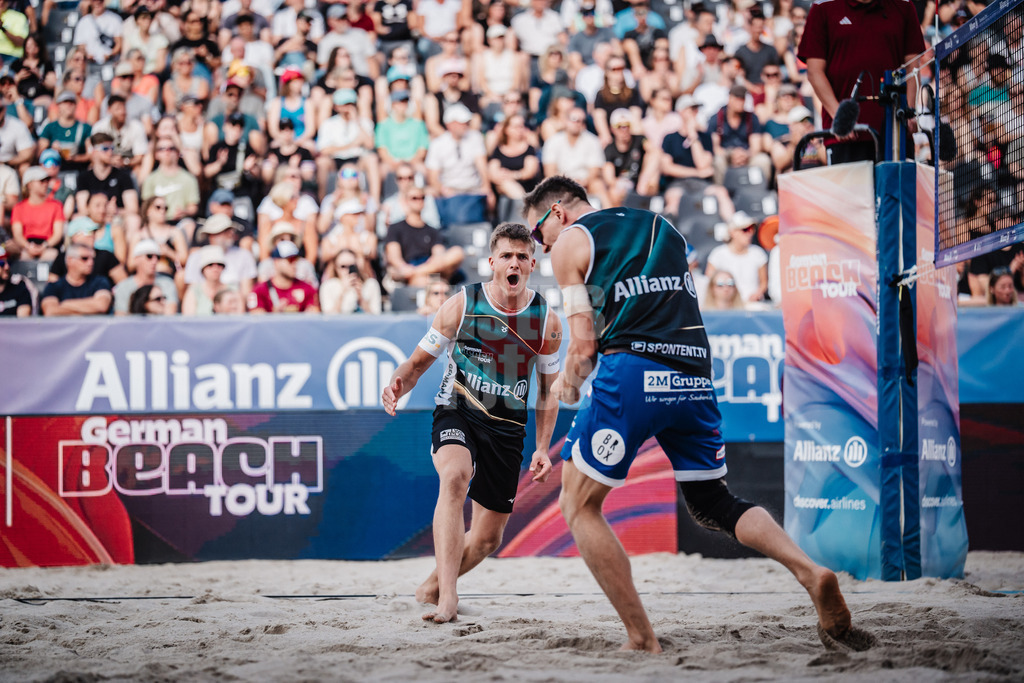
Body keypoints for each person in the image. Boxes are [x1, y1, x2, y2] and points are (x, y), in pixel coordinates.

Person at [523, 175, 865, 652]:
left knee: (578, 505)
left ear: (557, 212)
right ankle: (811, 573)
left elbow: (583, 347)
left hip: (634, 371)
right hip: (694, 371)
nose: (541, 249)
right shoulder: (664, 226)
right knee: (711, 501)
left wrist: (568, 384)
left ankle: (641, 638)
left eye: (538, 235)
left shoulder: (571, 244)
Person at [381, 221, 562, 624]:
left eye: (521, 256)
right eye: (506, 256)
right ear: (492, 262)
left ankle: (430, 587)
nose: (514, 263)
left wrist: (542, 448)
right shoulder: (462, 305)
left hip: (507, 426)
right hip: (456, 410)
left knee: (486, 539)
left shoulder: (546, 321)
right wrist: (398, 384)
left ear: (532, 264)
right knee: (454, 478)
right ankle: (448, 598)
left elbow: (549, 392)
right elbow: (416, 365)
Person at [799, 0, 925, 165]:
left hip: (896, 137)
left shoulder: (904, 5)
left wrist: (909, 113)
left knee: (896, 191)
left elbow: (912, 69)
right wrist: (841, 118)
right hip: (845, 138)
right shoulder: (823, 6)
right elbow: (814, 72)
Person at [384, 188, 464, 287]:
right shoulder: (395, 228)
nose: (419, 201)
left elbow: (438, 255)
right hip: (412, 267)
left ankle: (418, 274)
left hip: (426, 269)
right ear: (405, 202)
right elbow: (394, 257)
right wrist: (404, 268)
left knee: (457, 252)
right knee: (423, 281)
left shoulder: (432, 230)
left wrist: (417, 270)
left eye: (422, 198)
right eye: (414, 198)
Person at [706, 211, 768, 304]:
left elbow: (764, 282)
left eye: (752, 228)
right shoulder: (717, 254)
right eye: (745, 229)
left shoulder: (758, 254)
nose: (750, 233)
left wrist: (757, 294)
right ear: (732, 232)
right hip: (727, 305)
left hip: (753, 305)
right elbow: (710, 281)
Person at [247, 240, 320, 313]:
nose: (294, 264)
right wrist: (274, 314)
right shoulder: (260, 291)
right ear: (276, 262)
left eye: (296, 259)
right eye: (290, 259)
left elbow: (313, 319)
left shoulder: (308, 289)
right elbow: (256, 320)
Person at [40, 242, 112, 316]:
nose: (91, 262)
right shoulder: (54, 286)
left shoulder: (100, 282)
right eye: (84, 258)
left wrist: (65, 304)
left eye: (93, 259)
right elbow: (50, 311)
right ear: (70, 260)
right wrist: (89, 308)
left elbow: (102, 306)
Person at [11, 165, 64, 262]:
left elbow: (57, 234)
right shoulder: (18, 208)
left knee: (51, 255)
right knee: (23, 256)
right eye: (41, 181)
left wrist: (44, 246)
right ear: (30, 184)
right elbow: (18, 235)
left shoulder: (56, 205)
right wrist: (28, 246)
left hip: (48, 245)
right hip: (27, 246)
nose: (45, 184)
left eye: (47, 181)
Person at [112, 239, 178, 315]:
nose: (154, 261)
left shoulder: (167, 283)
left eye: (158, 257)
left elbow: (170, 314)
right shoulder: (123, 287)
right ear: (136, 259)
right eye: (149, 256)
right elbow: (121, 318)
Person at [0, 244, 32, 317]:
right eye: (1, 263)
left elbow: (23, 323)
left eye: (8, 262)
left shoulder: (20, 289)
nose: (7, 267)